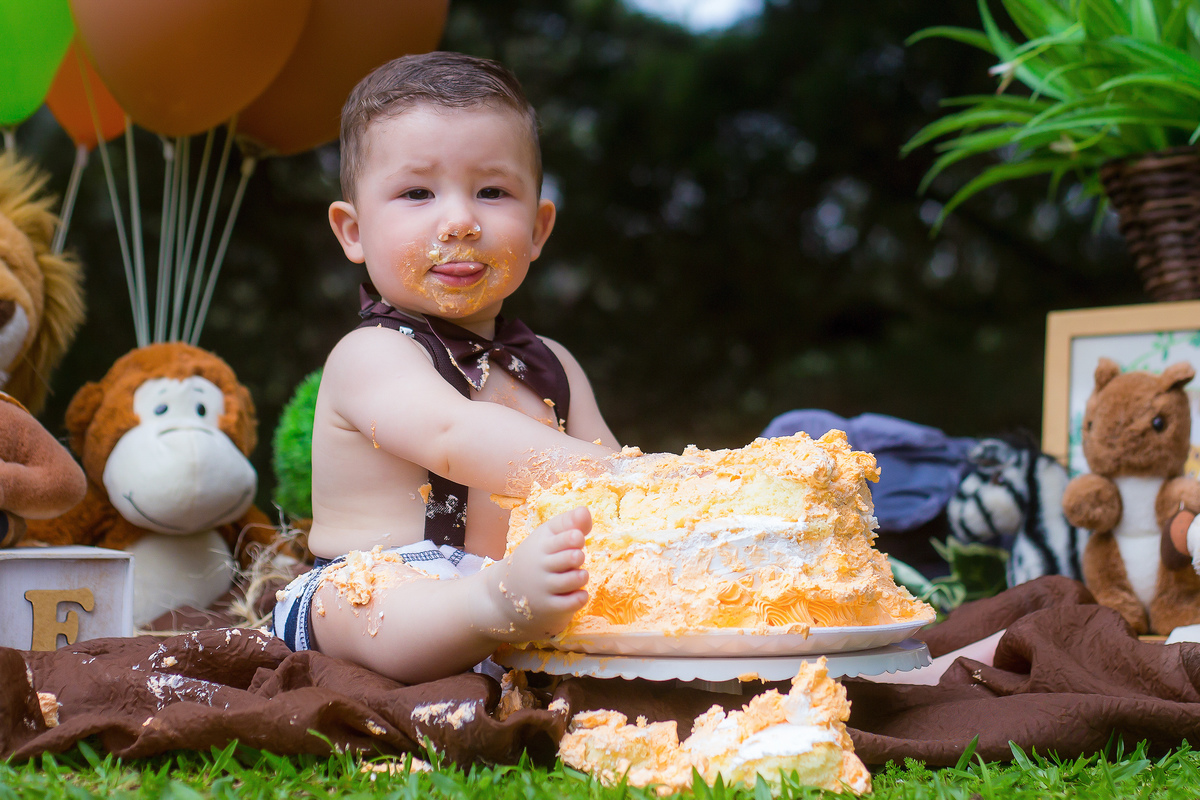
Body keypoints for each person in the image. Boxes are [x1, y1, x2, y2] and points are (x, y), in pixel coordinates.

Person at [272, 52, 621, 683]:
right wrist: (627, 473)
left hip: (518, 582)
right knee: (366, 600)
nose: (459, 221)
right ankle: (489, 608)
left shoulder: (557, 366)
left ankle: (512, 613)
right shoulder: (371, 354)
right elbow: (453, 436)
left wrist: (662, 493)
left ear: (539, 228)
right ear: (352, 231)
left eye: (492, 191)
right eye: (417, 193)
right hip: (378, 583)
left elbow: (617, 492)